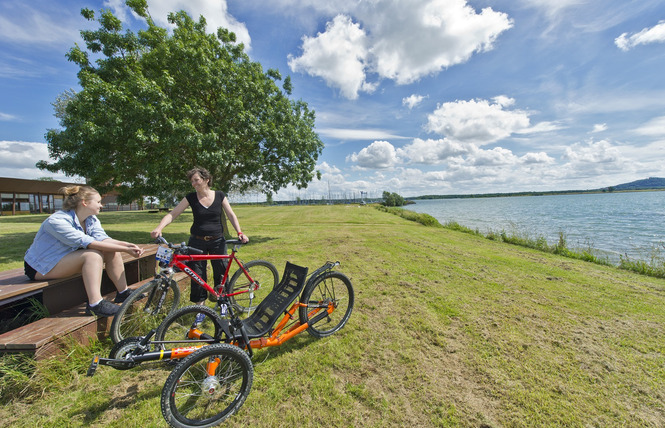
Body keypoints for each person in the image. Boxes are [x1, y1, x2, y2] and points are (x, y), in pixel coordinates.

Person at [24, 185, 145, 317]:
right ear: (85, 202)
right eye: (98, 202)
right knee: (93, 255)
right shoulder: (56, 221)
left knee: (110, 251)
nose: (101, 206)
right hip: (40, 267)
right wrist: (126, 250)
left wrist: (128, 245)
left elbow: (103, 239)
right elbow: (89, 243)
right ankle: (95, 304)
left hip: (65, 259)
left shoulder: (90, 219)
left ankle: (123, 293)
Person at [151, 167, 249, 305]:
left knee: (221, 273)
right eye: (192, 181)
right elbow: (173, 214)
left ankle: (223, 304)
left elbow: (231, 215)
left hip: (217, 241)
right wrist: (159, 227)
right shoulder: (190, 197)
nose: (194, 184)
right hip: (196, 241)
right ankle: (200, 309)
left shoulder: (220, 195)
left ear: (206, 179)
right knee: (197, 275)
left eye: (196, 180)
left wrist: (239, 232)